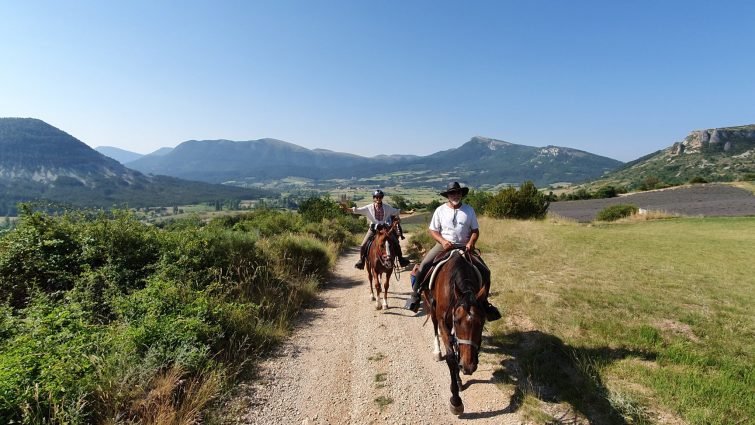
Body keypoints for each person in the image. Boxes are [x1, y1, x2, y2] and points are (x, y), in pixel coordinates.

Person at [405, 181, 501, 321]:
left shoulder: (469, 210)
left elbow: (475, 230)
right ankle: (415, 295)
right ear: (448, 195)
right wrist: (443, 241)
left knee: (485, 271)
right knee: (425, 265)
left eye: (458, 192)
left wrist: (471, 242)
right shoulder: (440, 210)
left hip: (464, 247)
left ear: (461, 194)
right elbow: (433, 230)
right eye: (452, 193)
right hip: (444, 246)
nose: (455, 195)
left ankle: (484, 302)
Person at [347, 189, 411, 270]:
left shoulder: (387, 208)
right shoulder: (368, 208)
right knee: (363, 245)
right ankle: (361, 261)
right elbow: (356, 210)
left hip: (384, 229)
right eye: (376, 197)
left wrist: (408, 212)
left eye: (380, 197)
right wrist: (346, 208)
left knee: (396, 242)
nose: (378, 199)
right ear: (374, 198)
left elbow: (397, 211)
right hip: (373, 229)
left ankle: (401, 259)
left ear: (382, 198)